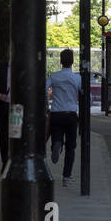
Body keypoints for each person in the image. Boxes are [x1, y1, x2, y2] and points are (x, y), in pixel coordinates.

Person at [48, 48, 83, 187]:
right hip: (71, 114)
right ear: (72, 62)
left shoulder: (54, 76)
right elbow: (84, 93)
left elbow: (43, 87)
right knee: (71, 146)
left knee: (56, 135)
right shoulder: (77, 78)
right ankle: (66, 177)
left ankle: (57, 145)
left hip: (56, 112)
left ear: (60, 61)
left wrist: (46, 103)